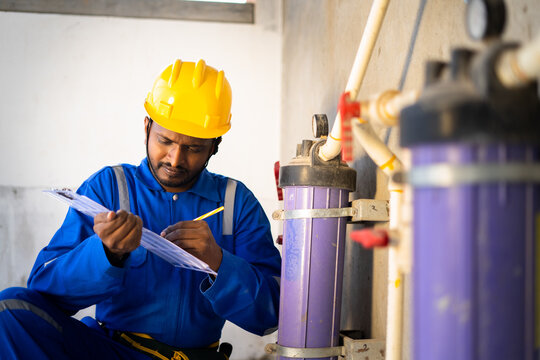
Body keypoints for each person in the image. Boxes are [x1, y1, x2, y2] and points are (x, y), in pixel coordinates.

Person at [0, 59, 281, 359]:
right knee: (11, 311)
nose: (175, 159)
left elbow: (272, 314)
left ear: (215, 146)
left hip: (197, 357)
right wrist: (105, 253)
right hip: (111, 352)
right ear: (147, 126)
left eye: (194, 148)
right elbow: (44, 288)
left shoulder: (236, 202)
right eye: (165, 140)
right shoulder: (109, 187)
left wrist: (219, 263)